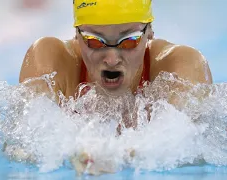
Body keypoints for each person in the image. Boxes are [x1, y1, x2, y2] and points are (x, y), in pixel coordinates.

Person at [15, 0, 213, 175]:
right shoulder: (51, 61)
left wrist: (109, 155)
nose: (111, 60)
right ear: (77, 33)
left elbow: (187, 150)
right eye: (94, 41)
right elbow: (24, 145)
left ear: (150, 31)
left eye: (129, 41)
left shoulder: (182, 67)